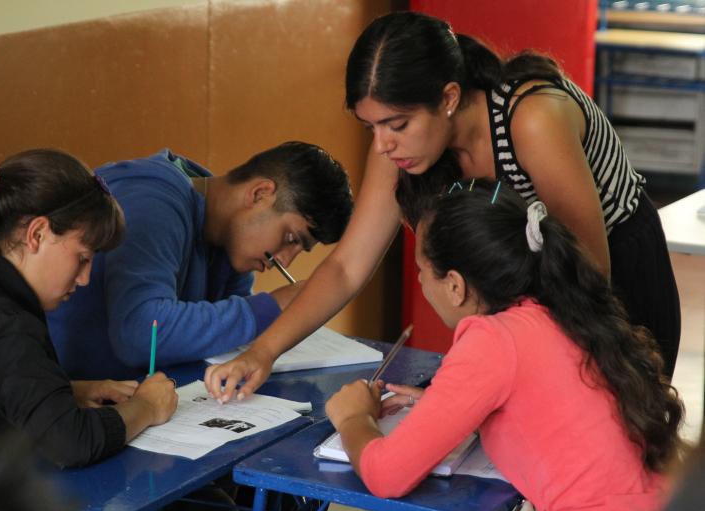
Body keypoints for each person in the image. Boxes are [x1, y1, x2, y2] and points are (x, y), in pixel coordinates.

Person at [204, 11, 681, 402]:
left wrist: (488, 384)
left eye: (396, 124)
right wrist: (263, 352)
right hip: (526, 289)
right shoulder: (399, 144)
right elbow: (348, 266)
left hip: (616, 279)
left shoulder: (532, 119)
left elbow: (589, 277)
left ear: (449, 98)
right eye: (372, 127)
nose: (384, 144)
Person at [324, 182, 683, 511]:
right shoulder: (558, 309)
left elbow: (386, 475)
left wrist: (353, 418)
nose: (419, 281)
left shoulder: (491, 340)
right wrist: (446, 406)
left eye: (422, 270)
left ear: (455, 286)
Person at [0, 150, 178, 468]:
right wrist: (147, 407)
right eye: (83, 257)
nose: (85, 279)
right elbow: (71, 442)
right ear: (37, 234)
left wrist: (67, 392)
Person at [47, 142, 352, 380]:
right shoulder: (152, 200)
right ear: (260, 194)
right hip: (57, 411)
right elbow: (141, 334)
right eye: (290, 238)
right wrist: (273, 306)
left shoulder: (226, 238)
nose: (284, 259)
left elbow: (224, 337)